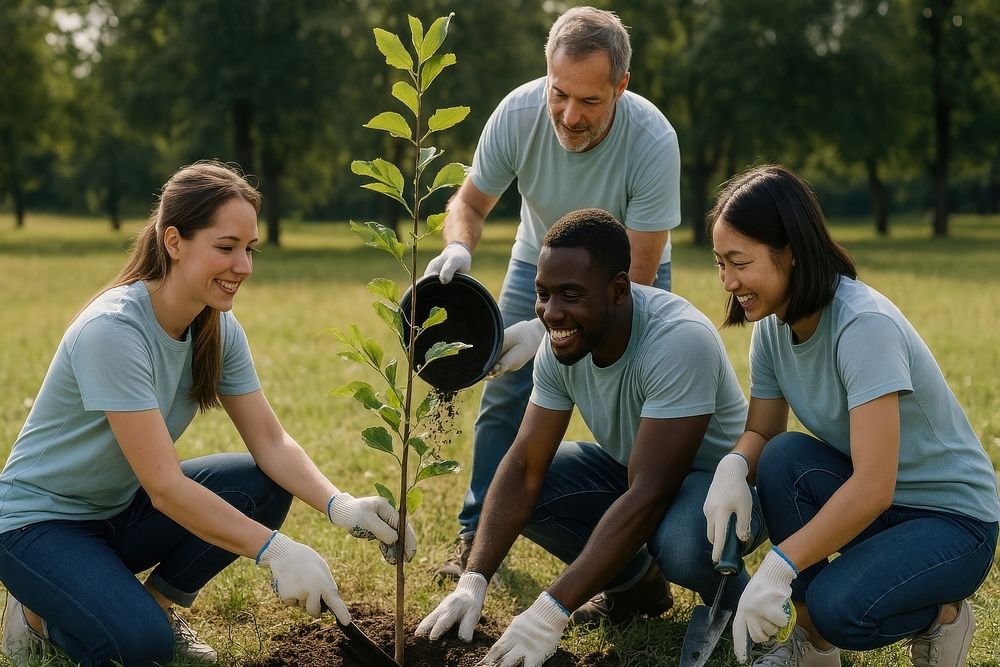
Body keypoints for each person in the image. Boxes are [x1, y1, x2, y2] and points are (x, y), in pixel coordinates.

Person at [0, 161, 416, 666]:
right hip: (37, 526)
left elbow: (272, 443)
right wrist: (276, 550)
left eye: (249, 249)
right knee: (142, 647)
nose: (244, 266)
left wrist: (340, 505)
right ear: (174, 242)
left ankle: (154, 605)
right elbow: (165, 486)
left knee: (261, 483)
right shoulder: (112, 331)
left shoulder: (217, 328)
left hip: (117, 511)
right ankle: (39, 615)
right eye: (226, 247)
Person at [416, 209, 763, 665]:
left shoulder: (678, 340)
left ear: (618, 289)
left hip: (723, 489)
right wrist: (473, 580)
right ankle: (634, 587)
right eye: (543, 293)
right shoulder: (562, 340)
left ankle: (748, 607)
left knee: (681, 543)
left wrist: (549, 611)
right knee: (537, 483)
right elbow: (524, 466)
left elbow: (650, 493)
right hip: (640, 473)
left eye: (570, 295)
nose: (550, 313)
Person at [423, 6, 682, 607]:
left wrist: (549, 334)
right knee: (504, 393)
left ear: (621, 85)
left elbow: (638, 274)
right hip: (537, 262)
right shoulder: (517, 115)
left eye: (589, 101)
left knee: (633, 404)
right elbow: (470, 203)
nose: (569, 115)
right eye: (559, 94)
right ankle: (475, 535)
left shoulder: (652, 140)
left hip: (628, 273)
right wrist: (458, 247)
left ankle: (635, 555)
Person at [705, 165, 1000, 667]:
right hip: (885, 508)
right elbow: (762, 431)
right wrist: (733, 466)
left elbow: (873, 486)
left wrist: (779, 565)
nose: (729, 282)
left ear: (792, 251)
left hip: (952, 522)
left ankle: (943, 615)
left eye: (740, 262)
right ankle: (814, 647)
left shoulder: (863, 326)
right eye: (719, 263)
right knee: (782, 457)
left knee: (838, 607)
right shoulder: (773, 328)